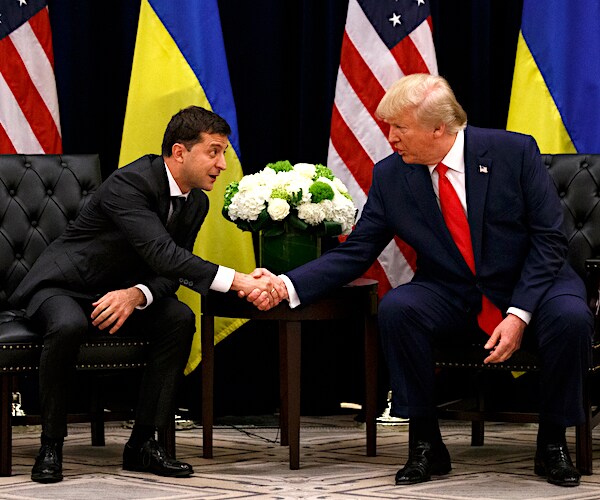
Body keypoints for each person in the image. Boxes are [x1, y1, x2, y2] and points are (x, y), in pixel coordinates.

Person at [248, 74, 593, 487]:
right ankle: (426, 443)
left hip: (535, 281)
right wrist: (285, 285)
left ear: (438, 129)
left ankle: (552, 441)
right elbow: (356, 252)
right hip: (453, 289)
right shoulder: (392, 175)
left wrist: (519, 313)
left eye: (400, 128)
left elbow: (549, 241)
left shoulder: (513, 152)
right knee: (399, 308)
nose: (390, 137)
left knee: (571, 317)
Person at [9, 106, 277, 483]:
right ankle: (51, 444)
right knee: (68, 325)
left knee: (179, 319)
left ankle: (143, 445)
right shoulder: (129, 183)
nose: (221, 164)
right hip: (65, 285)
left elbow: (172, 271)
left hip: (122, 291)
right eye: (213, 151)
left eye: (224, 153)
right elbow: (163, 254)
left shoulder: (196, 200)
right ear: (180, 152)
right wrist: (241, 281)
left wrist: (137, 294)